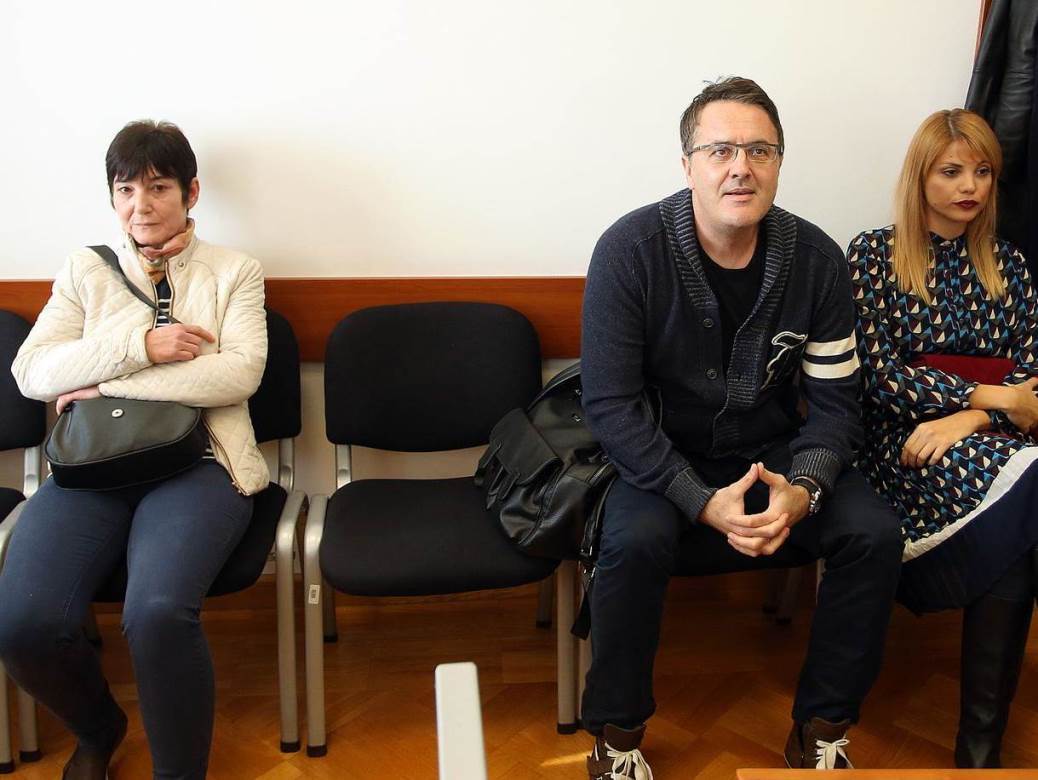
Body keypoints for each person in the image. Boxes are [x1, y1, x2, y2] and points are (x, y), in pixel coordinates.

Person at [579, 76, 903, 778]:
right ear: (687, 164)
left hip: (774, 450)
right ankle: (617, 736)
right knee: (631, 544)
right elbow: (610, 406)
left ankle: (822, 729)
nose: (741, 168)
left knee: (872, 533)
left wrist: (805, 488)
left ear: (779, 163)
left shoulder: (817, 260)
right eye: (720, 150)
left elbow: (837, 402)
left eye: (760, 150)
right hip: (662, 454)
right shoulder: (628, 251)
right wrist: (698, 499)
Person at [0, 120, 268, 779]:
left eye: (158, 187)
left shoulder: (234, 271)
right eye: (125, 190)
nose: (140, 206)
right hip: (92, 467)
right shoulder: (85, 270)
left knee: (157, 615)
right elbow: (32, 373)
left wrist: (105, 383)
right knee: (22, 622)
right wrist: (140, 346)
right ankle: (99, 730)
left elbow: (238, 375)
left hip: (202, 463)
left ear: (191, 192)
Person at [849, 108, 1038, 769]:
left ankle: (979, 744)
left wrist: (970, 416)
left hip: (995, 439)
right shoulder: (874, 255)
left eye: (983, 172)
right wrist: (990, 398)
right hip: (901, 445)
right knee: (1028, 488)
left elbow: (1031, 383)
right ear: (920, 176)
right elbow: (881, 378)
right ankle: (980, 743)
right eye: (952, 171)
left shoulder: (1009, 264)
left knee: (1023, 498)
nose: (970, 187)